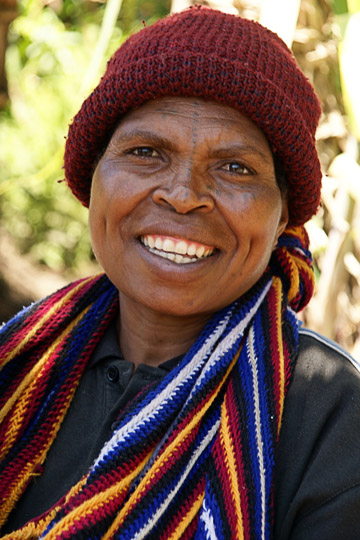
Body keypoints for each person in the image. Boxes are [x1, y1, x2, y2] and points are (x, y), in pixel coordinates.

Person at [1, 6, 360, 539]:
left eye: (235, 167)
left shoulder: (329, 417)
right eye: (145, 152)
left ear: (284, 212)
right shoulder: (19, 361)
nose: (184, 195)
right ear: (93, 176)